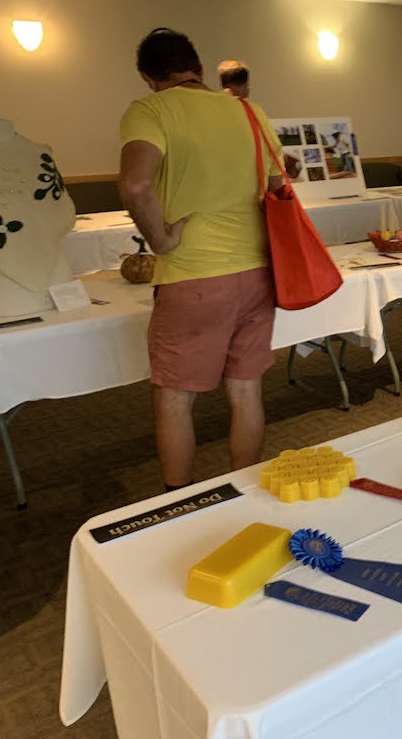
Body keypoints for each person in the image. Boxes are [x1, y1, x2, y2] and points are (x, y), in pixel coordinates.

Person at [119, 28, 284, 491]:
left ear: (149, 77)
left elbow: (135, 185)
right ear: (196, 66)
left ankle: (179, 502)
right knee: (246, 389)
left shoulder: (150, 109)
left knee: (175, 398)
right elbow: (277, 187)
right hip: (257, 272)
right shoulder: (249, 111)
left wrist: (161, 240)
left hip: (193, 275)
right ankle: (245, 489)